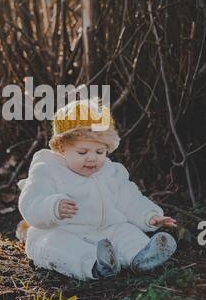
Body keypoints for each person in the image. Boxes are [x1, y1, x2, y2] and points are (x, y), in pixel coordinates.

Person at [16, 99, 177, 281]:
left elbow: (129, 198)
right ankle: (95, 265)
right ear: (61, 147)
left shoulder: (111, 171)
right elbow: (31, 200)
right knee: (53, 244)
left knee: (126, 231)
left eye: (100, 152)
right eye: (83, 152)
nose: (92, 158)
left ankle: (142, 255)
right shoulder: (47, 168)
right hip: (65, 230)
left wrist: (149, 215)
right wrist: (52, 207)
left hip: (106, 228)